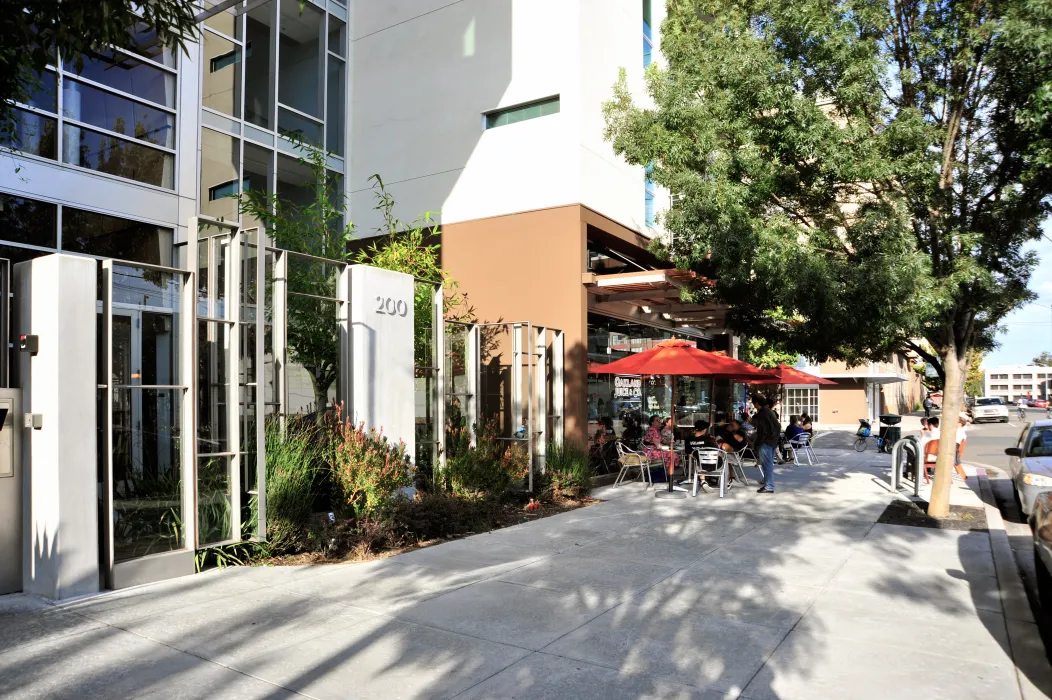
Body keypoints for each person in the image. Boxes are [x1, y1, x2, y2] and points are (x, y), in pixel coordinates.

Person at [751, 395, 780, 493]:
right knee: (768, 464)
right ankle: (767, 481)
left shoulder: (762, 414)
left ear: (757, 403)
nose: (754, 405)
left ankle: (769, 486)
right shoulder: (769, 412)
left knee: (767, 464)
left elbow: (760, 429)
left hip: (766, 442)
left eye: (754, 403)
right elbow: (777, 427)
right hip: (772, 441)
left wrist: (758, 442)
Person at [954, 413, 970, 481]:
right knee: (956, 461)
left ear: (960, 423)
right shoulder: (962, 431)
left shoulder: (958, 431)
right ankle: (963, 475)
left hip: (954, 447)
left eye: (956, 422)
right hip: (956, 449)